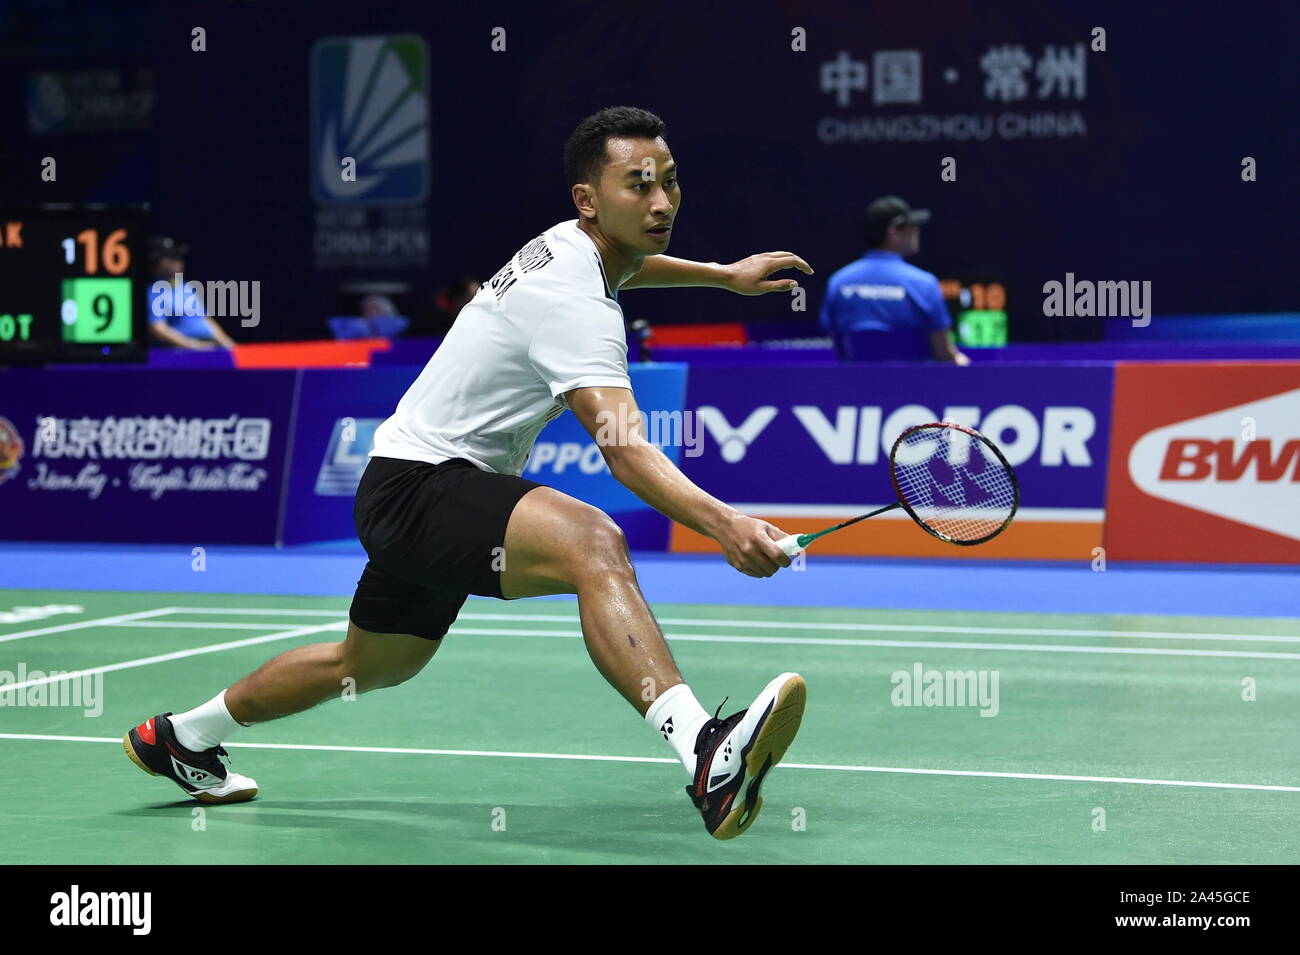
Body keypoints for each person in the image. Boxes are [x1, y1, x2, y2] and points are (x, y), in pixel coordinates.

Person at [124, 106, 814, 841]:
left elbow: (633, 264)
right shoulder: (575, 302)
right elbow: (624, 449)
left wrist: (724, 277)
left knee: (368, 662)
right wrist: (726, 523)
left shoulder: (572, 247)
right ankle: (705, 751)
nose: (661, 202)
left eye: (670, 183)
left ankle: (178, 736)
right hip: (424, 486)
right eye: (638, 186)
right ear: (588, 199)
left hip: (408, 485)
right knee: (594, 542)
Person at [820, 196, 969, 364]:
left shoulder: (838, 283)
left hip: (857, 387)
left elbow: (839, 350)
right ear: (894, 231)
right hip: (916, 388)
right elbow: (944, 356)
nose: (917, 231)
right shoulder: (925, 284)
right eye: (911, 226)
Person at [146, 237, 237, 351]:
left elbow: (205, 319)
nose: (178, 262)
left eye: (178, 257)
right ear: (156, 262)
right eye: (171, 257)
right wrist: (192, 345)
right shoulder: (152, 292)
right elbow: (157, 329)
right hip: (184, 351)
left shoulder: (186, 286)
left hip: (209, 346)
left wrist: (226, 342)